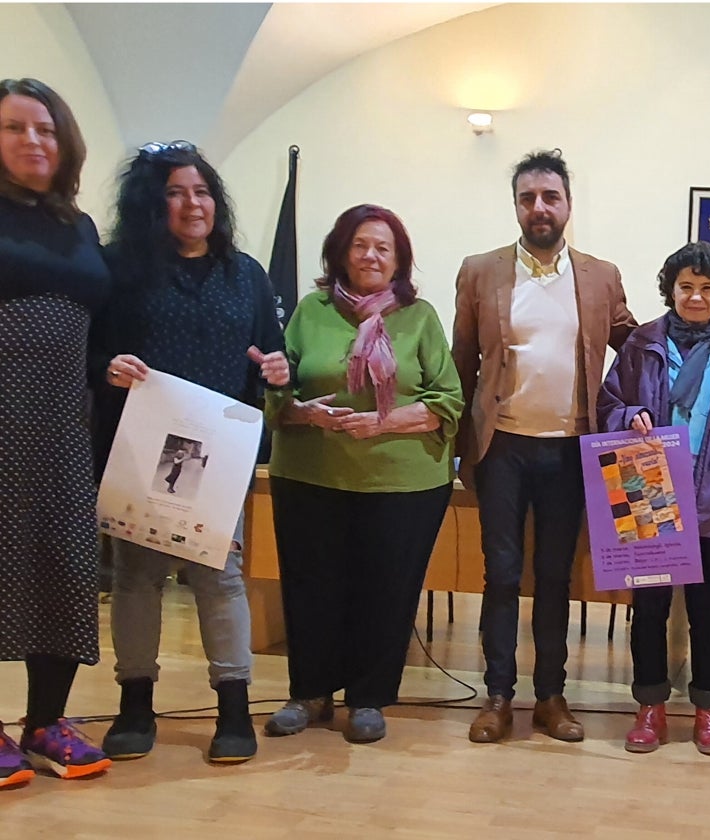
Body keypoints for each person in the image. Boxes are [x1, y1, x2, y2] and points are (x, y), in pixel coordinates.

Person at [92, 142, 288, 764]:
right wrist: (106, 367)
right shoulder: (118, 268)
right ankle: (135, 704)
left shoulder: (247, 273)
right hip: (139, 445)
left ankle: (233, 708)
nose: (192, 204)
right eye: (176, 193)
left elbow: (272, 355)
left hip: (218, 450)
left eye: (202, 191)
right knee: (137, 578)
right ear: (153, 204)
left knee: (219, 575)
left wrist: (280, 369)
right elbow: (90, 349)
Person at [452, 149, 637, 743]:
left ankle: (551, 697)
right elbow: (460, 364)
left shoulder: (600, 275)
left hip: (571, 451)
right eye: (528, 197)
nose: (539, 208)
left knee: (556, 575)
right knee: (501, 573)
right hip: (500, 447)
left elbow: (634, 350)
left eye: (549, 197)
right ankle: (498, 696)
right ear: (516, 206)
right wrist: (456, 447)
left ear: (567, 206)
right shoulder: (480, 271)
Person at [264, 204, 463, 744]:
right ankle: (309, 693)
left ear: (399, 259)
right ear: (340, 252)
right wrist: (305, 411)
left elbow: (448, 400)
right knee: (311, 585)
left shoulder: (419, 317)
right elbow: (277, 390)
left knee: (385, 589)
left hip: (403, 483)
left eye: (383, 247)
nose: (370, 255)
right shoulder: (311, 311)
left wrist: (384, 423)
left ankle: (368, 697)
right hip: (309, 474)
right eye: (360, 244)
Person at [598, 241, 710, 756]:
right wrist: (628, 419)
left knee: (708, 610)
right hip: (648, 493)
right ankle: (649, 707)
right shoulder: (640, 345)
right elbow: (609, 403)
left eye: (707, 288)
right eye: (686, 286)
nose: (696, 296)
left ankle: (709, 710)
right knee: (648, 608)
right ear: (670, 290)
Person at [0, 77, 112, 785]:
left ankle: (45, 721)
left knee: (65, 567)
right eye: (14, 128)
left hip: (66, 422)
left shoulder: (79, 226)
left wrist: (111, 365)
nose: (32, 141)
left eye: (44, 128)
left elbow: (91, 326)